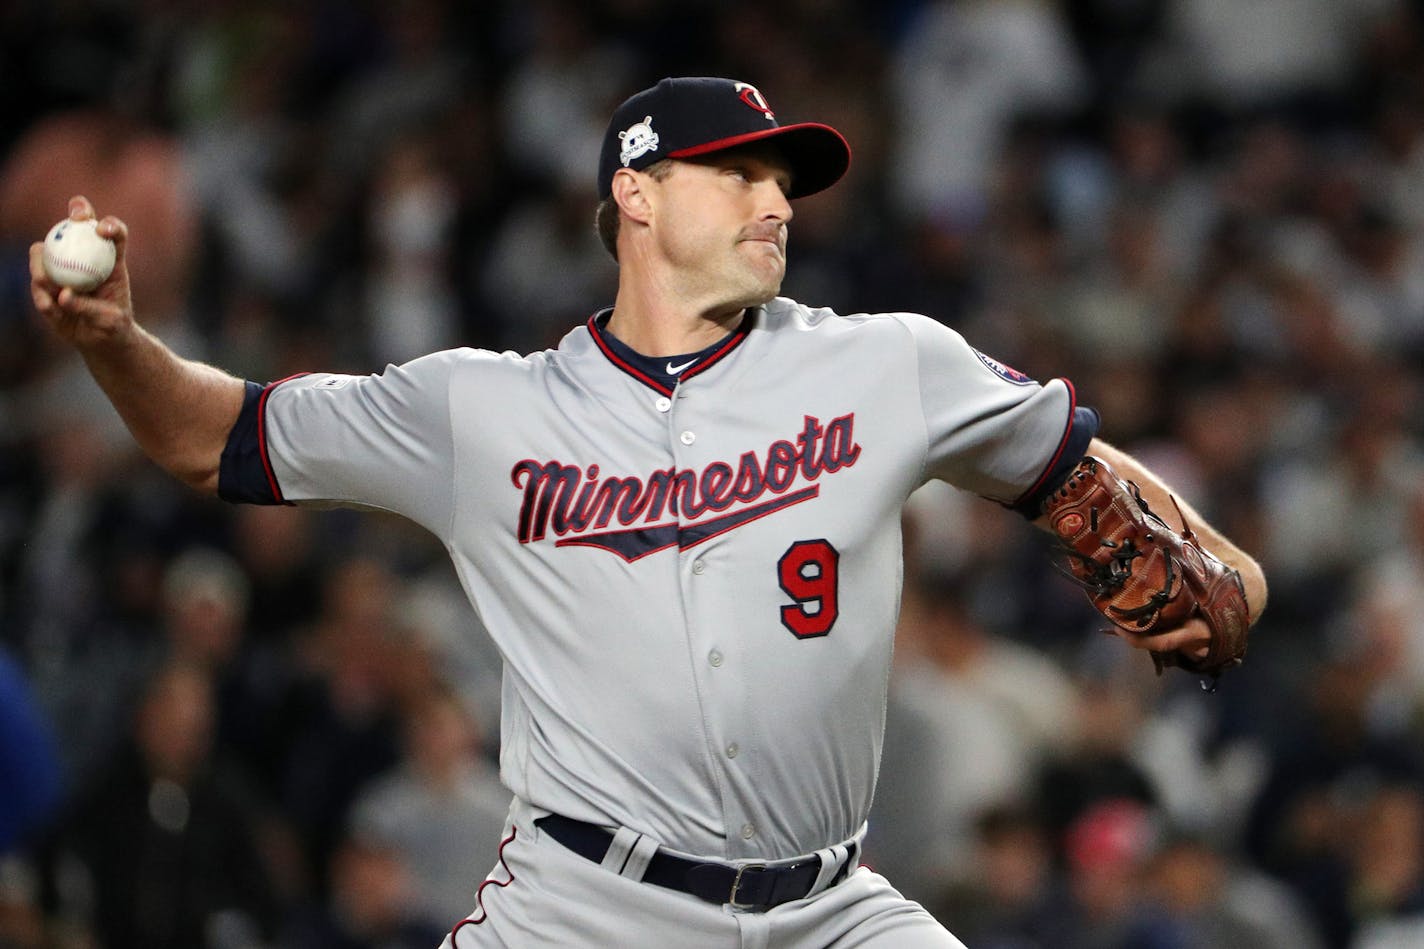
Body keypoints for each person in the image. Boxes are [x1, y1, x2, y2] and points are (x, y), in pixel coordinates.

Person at [30, 75, 1267, 947]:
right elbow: (216, 435)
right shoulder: (481, 412)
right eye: (738, 176)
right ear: (634, 192)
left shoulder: (887, 363)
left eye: (784, 182)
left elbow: (1079, 469)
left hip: (831, 907)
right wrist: (114, 340)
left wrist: (1219, 569)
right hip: (585, 907)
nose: (775, 203)